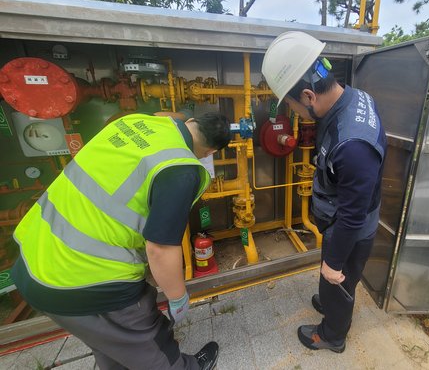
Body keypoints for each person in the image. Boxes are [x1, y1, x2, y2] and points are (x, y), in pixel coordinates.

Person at [11, 111, 231, 370]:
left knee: (111, 342)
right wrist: (177, 296)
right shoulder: (180, 168)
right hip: (86, 276)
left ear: (191, 122)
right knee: (151, 345)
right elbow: (159, 248)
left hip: (33, 258)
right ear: (210, 152)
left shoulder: (132, 123)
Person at [262, 31, 387, 353]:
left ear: (307, 95)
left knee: (339, 278)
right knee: (334, 278)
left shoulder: (353, 144)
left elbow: (352, 214)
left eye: (292, 106)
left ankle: (332, 334)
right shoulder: (355, 97)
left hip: (351, 228)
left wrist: (333, 261)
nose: (295, 114)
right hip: (343, 217)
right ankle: (331, 300)